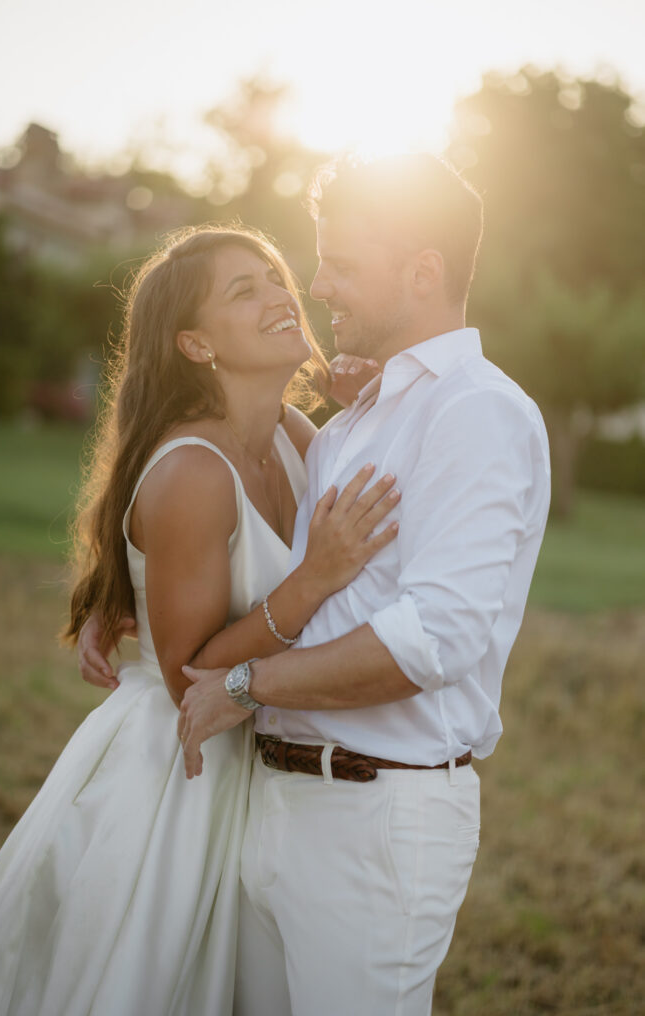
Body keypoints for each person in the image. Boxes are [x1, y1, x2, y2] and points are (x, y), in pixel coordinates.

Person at [0, 225, 400, 1016]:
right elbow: (187, 673)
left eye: (272, 275)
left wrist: (371, 403)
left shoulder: (300, 438)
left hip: (266, 759)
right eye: (244, 290)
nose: (278, 293)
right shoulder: (195, 470)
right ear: (195, 345)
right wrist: (312, 580)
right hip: (179, 778)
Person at [175, 155, 552, 1015]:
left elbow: (433, 640)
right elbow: (266, 556)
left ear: (422, 271)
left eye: (341, 263)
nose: (317, 284)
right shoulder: (354, 421)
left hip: (376, 823)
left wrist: (242, 685)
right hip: (273, 804)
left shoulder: (476, 411)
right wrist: (113, 597)